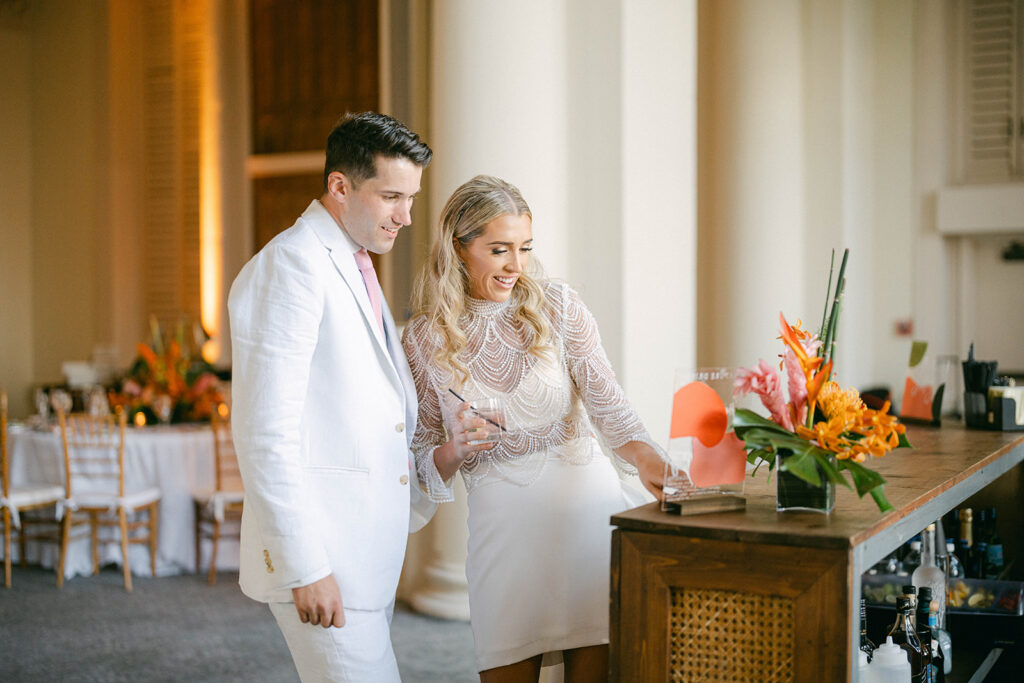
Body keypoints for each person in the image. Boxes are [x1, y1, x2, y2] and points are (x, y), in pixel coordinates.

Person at [402, 175, 666, 682]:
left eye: (524, 247)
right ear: (458, 247)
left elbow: (610, 405)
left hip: (586, 519)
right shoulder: (423, 338)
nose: (516, 265)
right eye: (499, 249)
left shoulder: (559, 306)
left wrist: (649, 457)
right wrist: (456, 448)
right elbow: (422, 455)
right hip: (504, 535)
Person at [228, 112, 434, 682]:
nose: (405, 216)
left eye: (411, 198)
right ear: (340, 186)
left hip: (364, 558)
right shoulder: (292, 264)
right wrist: (304, 567)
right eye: (391, 196)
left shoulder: (352, 260)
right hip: (324, 561)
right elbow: (263, 432)